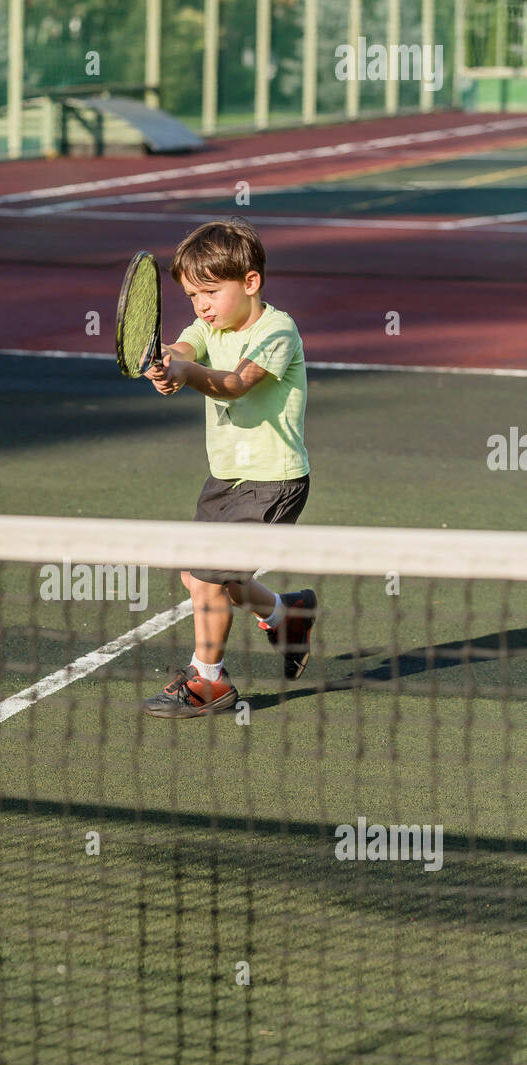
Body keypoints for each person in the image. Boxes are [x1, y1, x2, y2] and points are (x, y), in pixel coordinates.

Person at [142, 217, 316, 718]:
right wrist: (170, 362)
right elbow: (183, 347)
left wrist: (188, 373)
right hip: (226, 477)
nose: (200, 305)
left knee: (211, 579)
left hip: (273, 482)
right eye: (192, 295)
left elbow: (237, 383)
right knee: (201, 578)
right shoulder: (205, 325)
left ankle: (210, 682)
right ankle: (287, 614)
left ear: (250, 283)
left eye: (211, 292)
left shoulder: (277, 330)